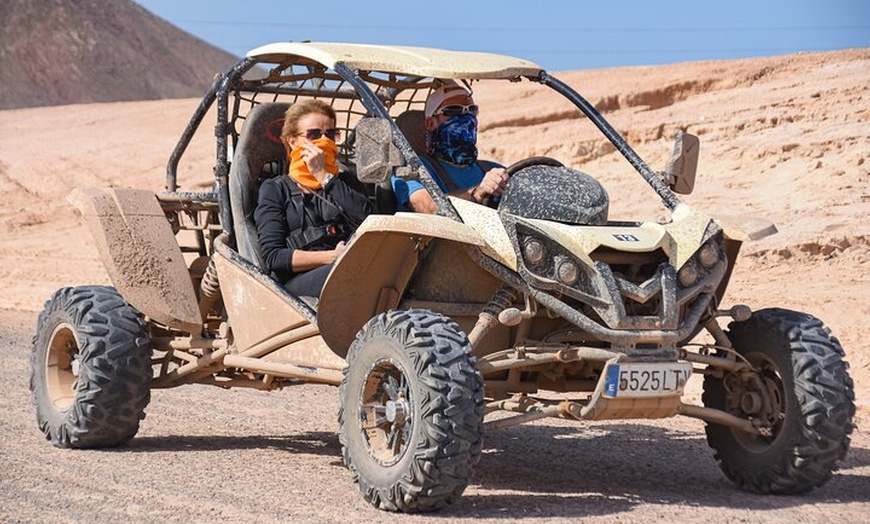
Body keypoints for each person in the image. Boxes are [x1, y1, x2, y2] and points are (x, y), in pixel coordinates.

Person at [254, 100, 372, 299]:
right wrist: (332, 258)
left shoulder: (344, 182)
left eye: (331, 134)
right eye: (314, 134)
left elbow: (370, 219)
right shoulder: (276, 189)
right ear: (292, 142)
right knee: (353, 272)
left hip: (351, 268)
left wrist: (325, 177)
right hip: (296, 285)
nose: (324, 141)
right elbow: (273, 257)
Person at [392, 82, 509, 213]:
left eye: (472, 110)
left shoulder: (492, 169)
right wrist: (477, 193)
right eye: (454, 110)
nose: (466, 117)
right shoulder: (412, 169)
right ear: (431, 123)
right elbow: (427, 207)